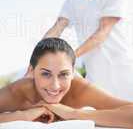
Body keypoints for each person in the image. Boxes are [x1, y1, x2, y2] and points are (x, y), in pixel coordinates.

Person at [43, 0, 133, 100]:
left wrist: (69, 57)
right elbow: (57, 28)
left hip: (122, 71)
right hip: (95, 75)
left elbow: (102, 33)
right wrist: (39, 54)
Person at [0, 37, 133, 128]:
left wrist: (72, 113)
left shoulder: (80, 89)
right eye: (46, 74)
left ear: (72, 73)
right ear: (32, 71)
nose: (55, 85)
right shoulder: (18, 92)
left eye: (64, 74)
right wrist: (24, 115)